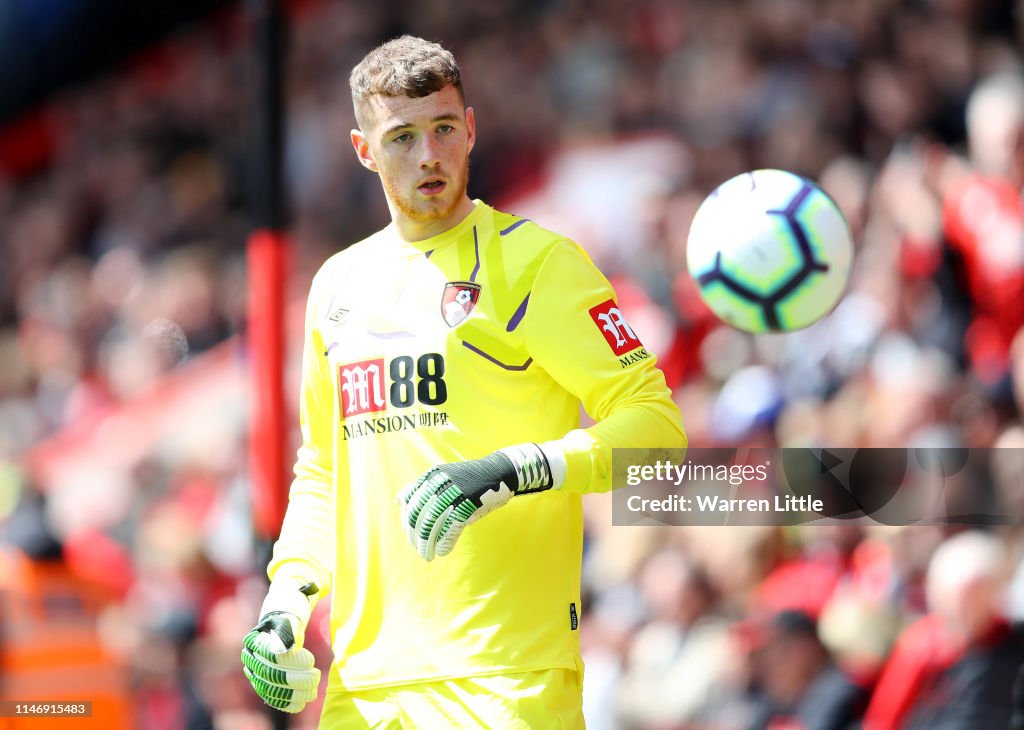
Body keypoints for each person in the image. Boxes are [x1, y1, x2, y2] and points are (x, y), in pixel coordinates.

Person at [240, 35, 685, 728]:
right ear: (364, 150)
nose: (429, 155)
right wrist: (285, 605)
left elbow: (657, 430)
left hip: (505, 676)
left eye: (445, 129)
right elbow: (325, 470)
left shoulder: (541, 264)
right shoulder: (336, 287)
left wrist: (515, 468)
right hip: (366, 685)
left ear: (470, 128)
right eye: (402, 138)